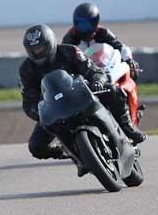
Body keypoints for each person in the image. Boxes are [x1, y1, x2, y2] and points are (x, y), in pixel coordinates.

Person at [19, 24, 146, 167]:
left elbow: (94, 70)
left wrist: (98, 81)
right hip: (56, 109)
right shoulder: (26, 70)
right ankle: (66, 151)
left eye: (40, 48)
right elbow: (28, 101)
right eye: (33, 50)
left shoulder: (70, 51)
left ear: (50, 43)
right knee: (35, 147)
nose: (37, 52)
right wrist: (40, 114)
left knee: (114, 91)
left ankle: (127, 127)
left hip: (83, 94)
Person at [62, 2, 140, 80]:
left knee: (130, 69)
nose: (85, 29)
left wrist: (128, 59)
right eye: (81, 25)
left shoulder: (103, 33)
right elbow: (63, 59)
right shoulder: (70, 38)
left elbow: (121, 48)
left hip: (107, 70)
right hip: (83, 75)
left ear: (95, 22)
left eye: (88, 24)